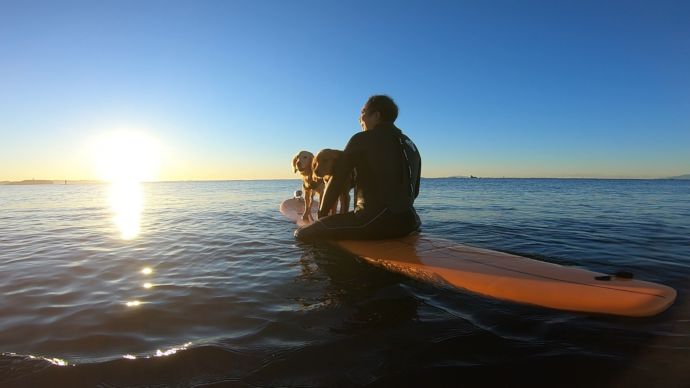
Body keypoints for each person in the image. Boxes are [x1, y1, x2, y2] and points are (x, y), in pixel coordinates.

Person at [295, 95, 421, 241]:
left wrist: (322, 217)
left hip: (372, 222)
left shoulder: (362, 139)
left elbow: (337, 180)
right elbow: (415, 191)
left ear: (376, 116)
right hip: (411, 221)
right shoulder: (410, 145)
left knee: (301, 235)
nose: (360, 119)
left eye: (363, 113)